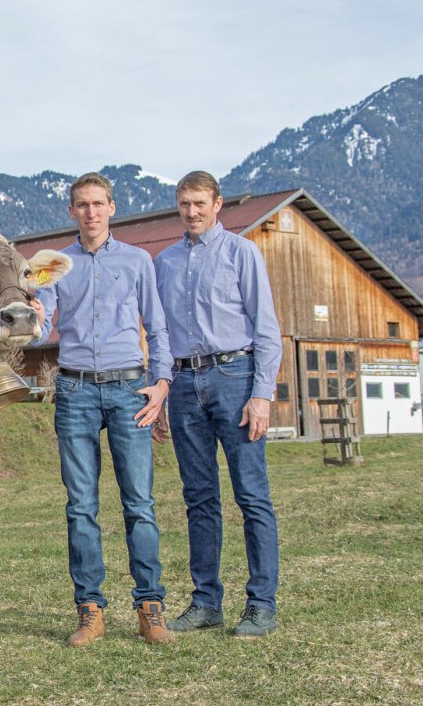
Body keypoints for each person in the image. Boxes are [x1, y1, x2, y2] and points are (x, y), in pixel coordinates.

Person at [31, 172, 175, 645]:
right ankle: (90, 609)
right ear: (71, 211)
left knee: (140, 503)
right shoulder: (55, 265)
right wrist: (32, 315)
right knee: (81, 507)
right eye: (81, 204)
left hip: (130, 390)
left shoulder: (138, 261)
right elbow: (41, 326)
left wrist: (162, 383)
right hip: (74, 393)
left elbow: (158, 328)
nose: (90, 212)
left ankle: (150, 607)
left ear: (112, 207)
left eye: (98, 203)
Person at [153, 171, 282, 637]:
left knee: (251, 495)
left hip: (236, 377)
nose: (191, 212)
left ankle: (261, 603)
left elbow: (267, 329)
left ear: (218, 204)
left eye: (200, 203)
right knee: (199, 498)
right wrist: (161, 389)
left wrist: (262, 394)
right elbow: (160, 336)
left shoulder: (242, 253)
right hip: (185, 384)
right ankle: (207, 602)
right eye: (184, 204)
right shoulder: (163, 262)